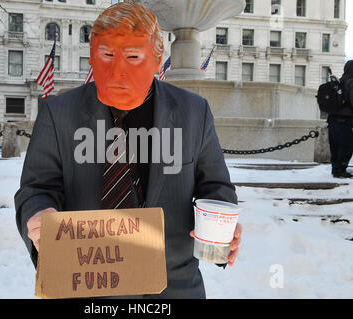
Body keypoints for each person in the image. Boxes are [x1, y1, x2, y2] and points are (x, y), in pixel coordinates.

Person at [14, 2, 242, 299]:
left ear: (158, 58)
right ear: (92, 56)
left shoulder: (193, 111)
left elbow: (216, 186)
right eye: (107, 55)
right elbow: (36, 188)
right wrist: (39, 213)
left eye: (133, 57)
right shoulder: (59, 113)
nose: (118, 71)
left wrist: (221, 226)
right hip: (86, 286)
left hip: (173, 288)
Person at [327, 60, 353, 178]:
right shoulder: (351, 82)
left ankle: (335, 169)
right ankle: (341, 170)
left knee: (335, 146)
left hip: (332, 118)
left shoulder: (339, 81)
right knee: (347, 145)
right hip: (344, 119)